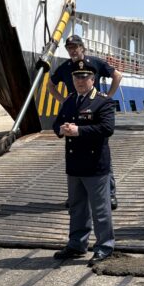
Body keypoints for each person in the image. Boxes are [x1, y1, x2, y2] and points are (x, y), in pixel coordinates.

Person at [52, 61, 116, 266]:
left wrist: (79, 131)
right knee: (77, 207)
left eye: (84, 77)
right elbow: (56, 123)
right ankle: (77, 244)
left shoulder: (102, 102)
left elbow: (107, 129)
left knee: (100, 209)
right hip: (74, 164)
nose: (80, 81)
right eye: (76, 77)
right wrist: (61, 129)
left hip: (95, 164)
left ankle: (105, 246)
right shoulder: (70, 100)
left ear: (92, 79)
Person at [48, 34, 123, 209]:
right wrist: (63, 101)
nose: (72, 50)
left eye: (75, 47)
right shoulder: (65, 67)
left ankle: (110, 194)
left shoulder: (95, 62)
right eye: (69, 48)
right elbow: (50, 85)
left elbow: (117, 75)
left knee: (101, 151)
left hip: (94, 111)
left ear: (82, 47)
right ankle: (74, 195)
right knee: (76, 153)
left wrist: (108, 97)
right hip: (75, 111)